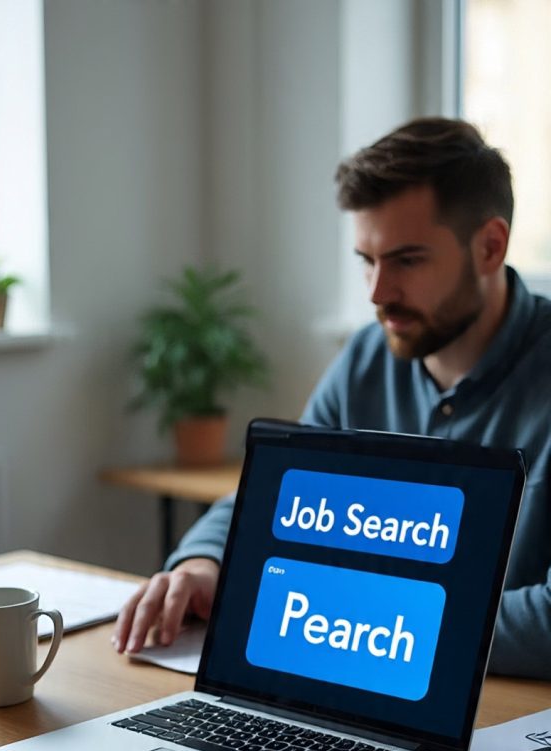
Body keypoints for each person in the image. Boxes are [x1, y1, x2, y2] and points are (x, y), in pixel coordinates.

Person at [114, 117, 551, 679]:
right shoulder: (367, 357)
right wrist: (205, 563)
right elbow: (272, 495)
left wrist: (356, 619)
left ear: (490, 247)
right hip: (361, 687)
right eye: (367, 260)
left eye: (407, 260)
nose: (377, 292)